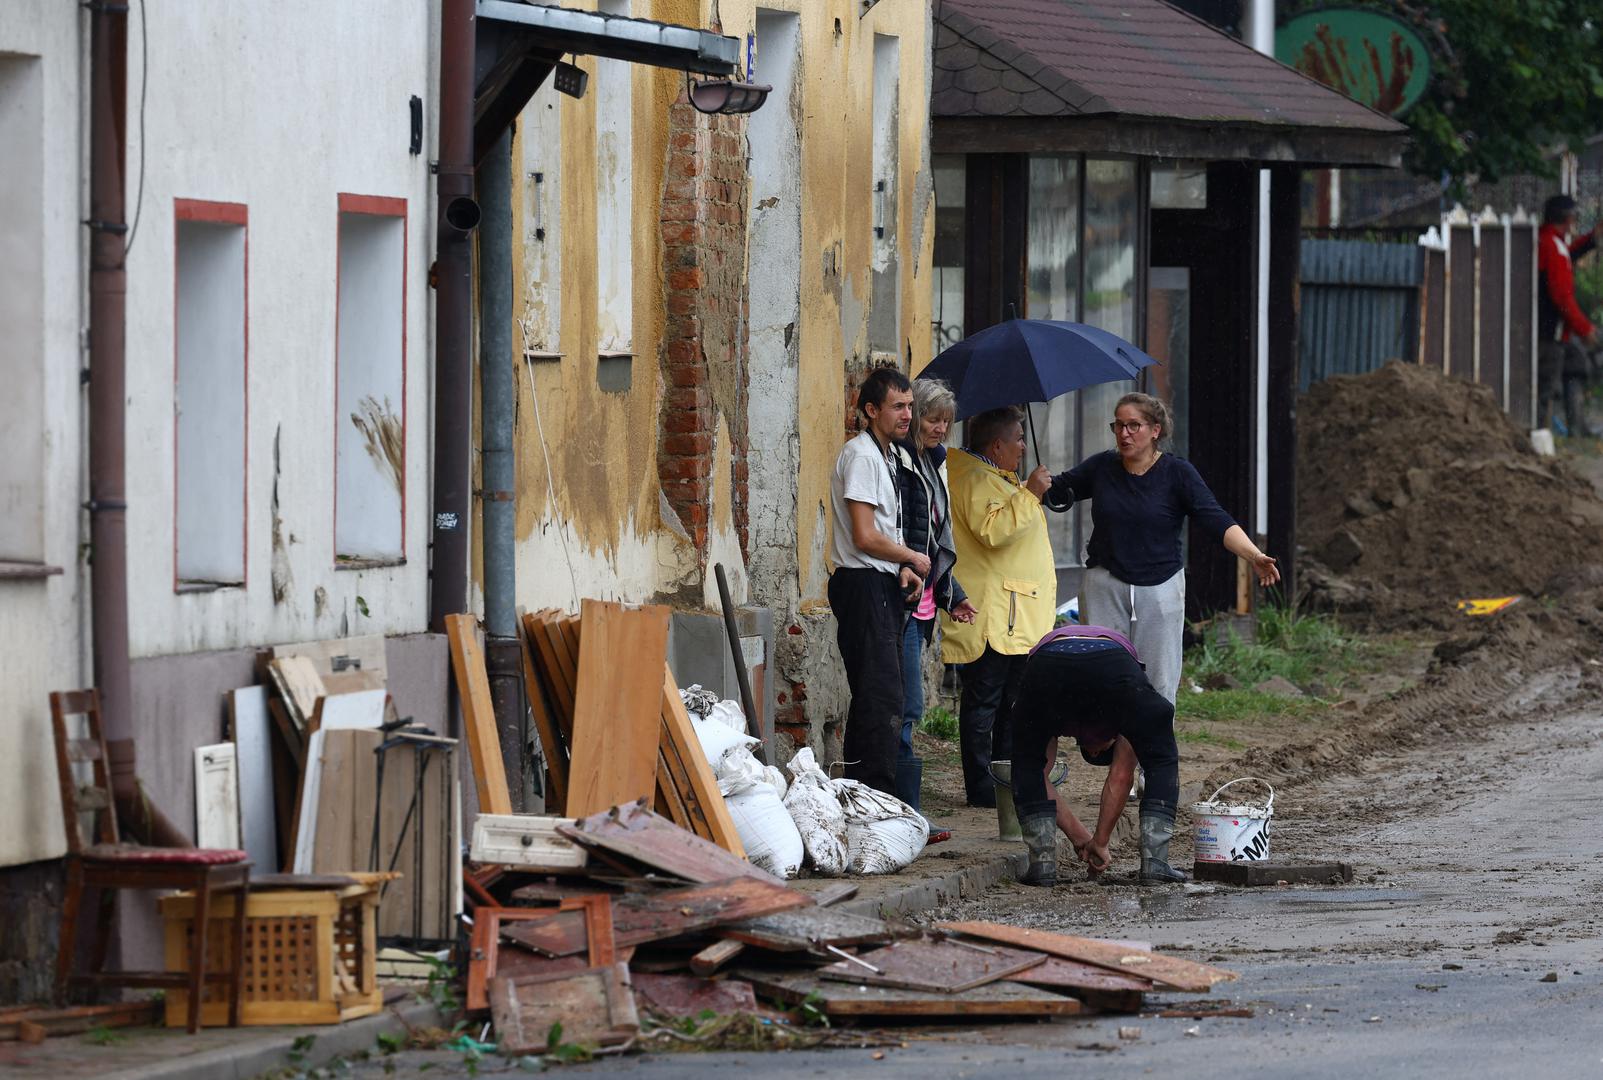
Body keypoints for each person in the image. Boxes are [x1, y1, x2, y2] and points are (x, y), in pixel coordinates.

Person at [1044, 392, 1279, 706]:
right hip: (1104, 582)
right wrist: (1035, 483)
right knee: (1100, 672)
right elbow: (1058, 489)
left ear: (1155, 430)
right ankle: (1106, 736)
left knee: (1158, 678)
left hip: (1160, 585)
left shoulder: (1177, 473)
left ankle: (1153, 737)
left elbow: (1215, 518)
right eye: (1118, 425)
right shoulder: (1102, 466)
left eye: (1134, 425)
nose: (1124, 433)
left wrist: (1254, 555)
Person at [941, 406, 1056, 807]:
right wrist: (1030, 494)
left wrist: (1024, 491)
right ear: (996, 445)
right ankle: (982, 786)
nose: (1024, 446)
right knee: (985, 703)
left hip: (1013, 614)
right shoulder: (974, 478)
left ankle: (1005, 779)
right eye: (1018, 439)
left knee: (1012, 703)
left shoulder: (992, 477)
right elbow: (993, 531)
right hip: (994, 615)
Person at [1010, 623, 1185, 886]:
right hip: (1111, 665)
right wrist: (1094, 841)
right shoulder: (1125, 716)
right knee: (1161, 761)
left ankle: (1042, 865)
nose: (1093, 748)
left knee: (1027, 763)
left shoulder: (1076, 718)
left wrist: (1091, 840)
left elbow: (1038, 775)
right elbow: (1121, 775)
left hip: (1049, 665)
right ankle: (1155, 863)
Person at [828, 366, 928, 797]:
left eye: (910, 406)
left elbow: (882, 531)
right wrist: (911, 556)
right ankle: (872, 798)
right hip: (862, 585)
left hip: (880, 581)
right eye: (897, 407)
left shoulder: (888, 455)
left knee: (885, 697)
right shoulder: (864, 457)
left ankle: (868, 796)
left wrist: (901, 567)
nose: (907, 415)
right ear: (871, 410)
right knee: (879, 697)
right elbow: (865, 536)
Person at [893, 378, 977, 828]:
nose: (940, 428)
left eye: (946, 421)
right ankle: (907, 813)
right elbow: (906, 535)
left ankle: (908, 811)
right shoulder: (903, 464)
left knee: (909, 706)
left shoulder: (931, 462)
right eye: (931, 418)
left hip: (924, 604)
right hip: (903, 601)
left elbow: (933, 538)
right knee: (905, 707)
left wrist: (952, 594)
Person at [1537, 194, 1600, 434]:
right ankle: (1541, 434)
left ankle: (1577, 426)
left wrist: (1591, 240)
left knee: (1576, 362)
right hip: (1550, 333)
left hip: (1556, 331)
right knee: (1545, 387)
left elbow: (1568, 254)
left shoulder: (1550, 241)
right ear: (1567, 218)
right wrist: (1585, 329)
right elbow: (1562, 297)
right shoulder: (1552, 246)